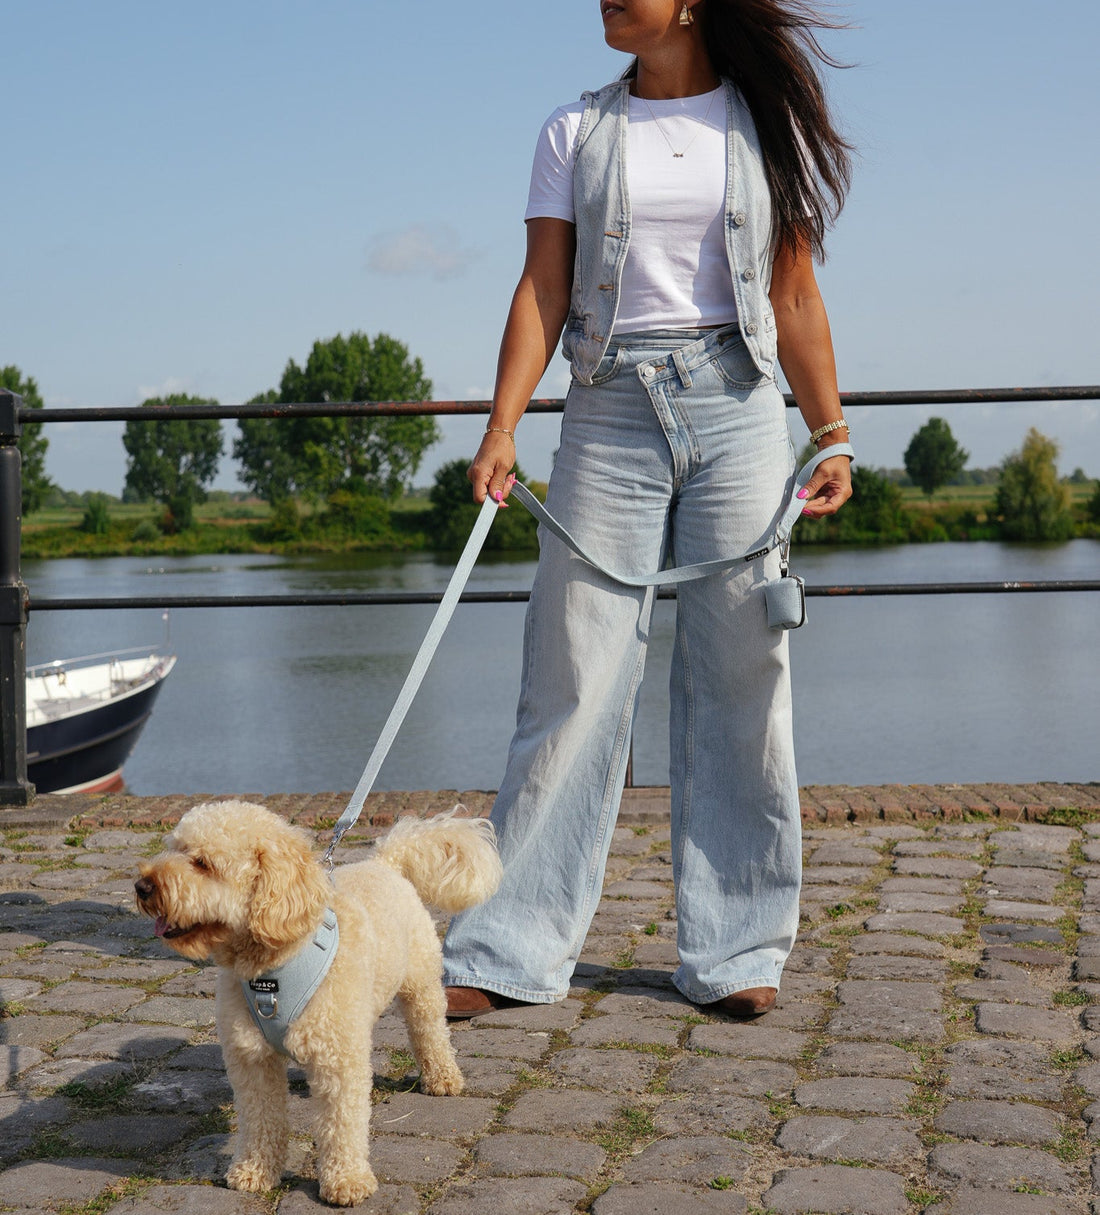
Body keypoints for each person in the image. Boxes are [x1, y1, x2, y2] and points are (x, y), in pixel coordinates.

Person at [443, 0, 854, 1019]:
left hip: (737, 408)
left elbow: (793, 293)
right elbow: (542, 286)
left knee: (741, 671)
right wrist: (502, 425)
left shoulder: (760, 125)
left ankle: (736, 951)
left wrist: (831, 430)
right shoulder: (571, 132)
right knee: (571, 673)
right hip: (606, 409)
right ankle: (506, 949)